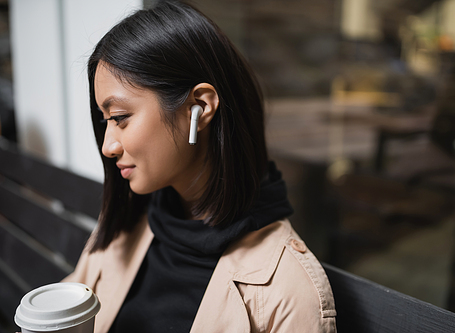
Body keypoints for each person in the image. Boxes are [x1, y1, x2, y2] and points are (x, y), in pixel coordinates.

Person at [63, 1, 337, 332]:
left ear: (199, 107)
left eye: (120, 118)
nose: (108, 146)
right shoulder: (128, 219)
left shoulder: (286, 291)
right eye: (106, 120)